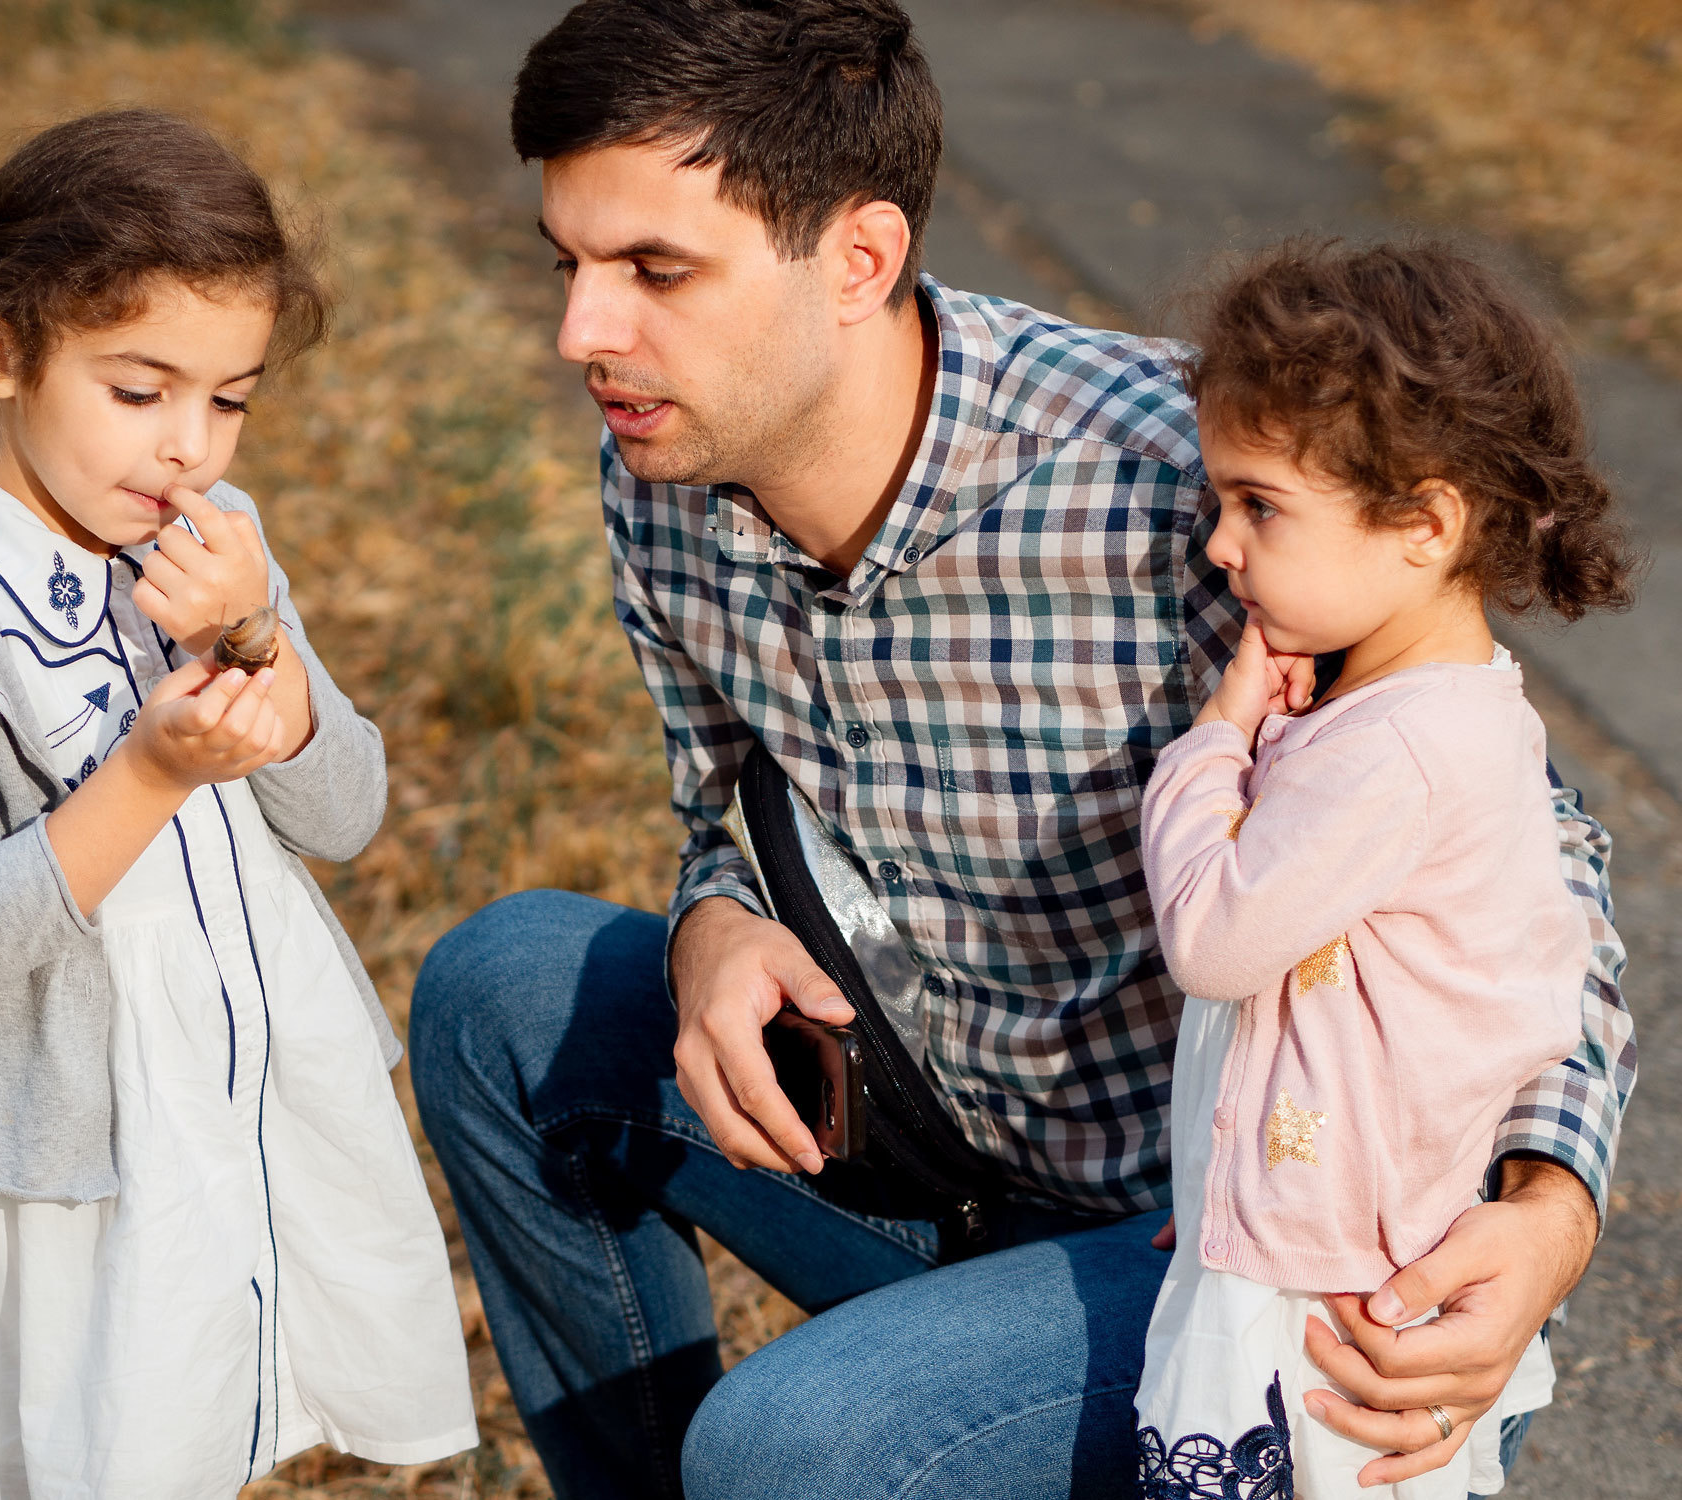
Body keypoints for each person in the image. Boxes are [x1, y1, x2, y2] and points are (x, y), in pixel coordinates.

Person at [408, 3, 1634, 1497]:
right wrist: (714, 926)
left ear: (859, 260)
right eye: (572, 265)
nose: (583, 335)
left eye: (657, 271)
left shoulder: (1185, 478)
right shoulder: (663, 460)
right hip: (919, 1160)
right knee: (504, 992)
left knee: (794, 1446)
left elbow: (1530, 852)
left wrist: (1549, 1210)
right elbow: (720, 799)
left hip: (1215, 1243)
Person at [0, 109, 475, 1496]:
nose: (190, 446)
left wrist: (259, 649)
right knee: (55, 1456)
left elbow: (342, 814)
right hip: (42, 1165)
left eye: (228, 398)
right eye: (139, 389)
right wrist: (152, 774)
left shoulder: (210, 552)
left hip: (208, 1099)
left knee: (180, 1437)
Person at [1130, 240, 1636, 1499]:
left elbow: (1212, 937)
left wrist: (1210, 742)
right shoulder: (1415, 713)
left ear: (1422, 521)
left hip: (1320, 1299)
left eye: (1257, 505)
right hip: (1312, 1242)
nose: (1218, 550)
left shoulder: (1403, 749)